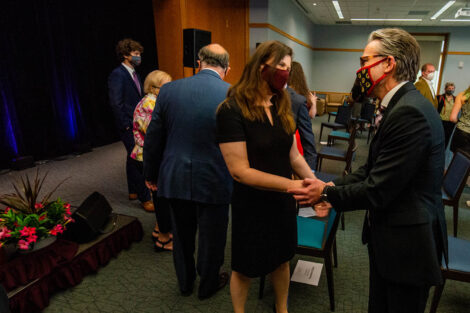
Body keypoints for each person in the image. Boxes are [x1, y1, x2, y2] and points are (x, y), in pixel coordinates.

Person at [289, 28, 448, 313]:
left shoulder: (409, 111)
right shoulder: (400, 105)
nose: (360, 69)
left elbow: (378, 188)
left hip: (408, 248)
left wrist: (325, 192)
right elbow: (371, 169)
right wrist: (332, 190)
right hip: (393, 240)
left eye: (365, 61)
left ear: (388, 64)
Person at [216, 40, 316, 313]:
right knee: (245, 268)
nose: (286, 72)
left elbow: (294, 156)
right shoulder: (231, 110)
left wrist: (314, 183)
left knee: (282, 260)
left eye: (288, 66)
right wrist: (292, 185)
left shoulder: (282, 104)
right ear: (262, 67)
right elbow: (240, 171)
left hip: (282, 202)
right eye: (280, 66)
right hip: (252, 203)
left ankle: (281, 308)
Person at [143, 44, 233, 299]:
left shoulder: (169, 90)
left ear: (198, 63)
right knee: (212, 237)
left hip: (175, 176)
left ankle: (184, 283)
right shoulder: (233, 93)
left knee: (181, 236)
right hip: (216, 177)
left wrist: (151, 174)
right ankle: (207, 285)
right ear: (227, 68)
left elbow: (154, 137)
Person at [108, 38, 153, 212]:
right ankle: (145, 198)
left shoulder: (135, 73)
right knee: (137, 160)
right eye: (135, 54)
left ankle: (132, 190)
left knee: (131, 156)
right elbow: (115, 102)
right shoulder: (118, 74)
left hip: (136, 123)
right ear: (125, 55)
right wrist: (126, 125)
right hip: (128, 125)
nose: (138, 57)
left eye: (139, 54)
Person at [130, 69, 173, 251]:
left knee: (161, 197)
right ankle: (163, 239)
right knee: (162, 198)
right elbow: (153, 132)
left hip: (151, 155)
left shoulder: (155, 101)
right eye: (166, 86)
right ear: (155, 88)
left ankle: (158, 229)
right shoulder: (150, 103)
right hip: (147, 156)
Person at [287, 61, 318, 170]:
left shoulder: (297, 97)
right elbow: (312, 115)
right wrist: (313, 103)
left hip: (297, 134)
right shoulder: (303, 92)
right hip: (298, 132)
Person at [449, 85, 470, 156]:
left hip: (460, 132)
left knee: (457, 161)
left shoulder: (462, 95)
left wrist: (461, 122)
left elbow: (452, 118)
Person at [437, 82, 456, 148]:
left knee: (447, 141)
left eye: (452, 88)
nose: (451, 90)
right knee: (438, 139)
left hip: (450, 124)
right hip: (440, 122)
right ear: (445, 89)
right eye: (449, 88)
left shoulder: (455, 99)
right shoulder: (439, 97)